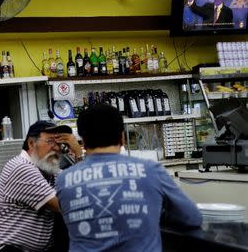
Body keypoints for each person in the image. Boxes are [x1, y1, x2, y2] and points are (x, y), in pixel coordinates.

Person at [55, 104, 203, 252]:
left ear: (84, 141)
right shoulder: (152, 171)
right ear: (122, 138)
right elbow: (192, 218)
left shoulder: (64, 180)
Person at [0, 120, 82, 252]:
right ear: (31, 143)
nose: (57, 148)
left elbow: (82, 188)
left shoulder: (48, 170)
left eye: (60, 143)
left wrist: (77, 153)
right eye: (51, 141)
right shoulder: (21, 167)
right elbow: (66, 206)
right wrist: (79, 154)